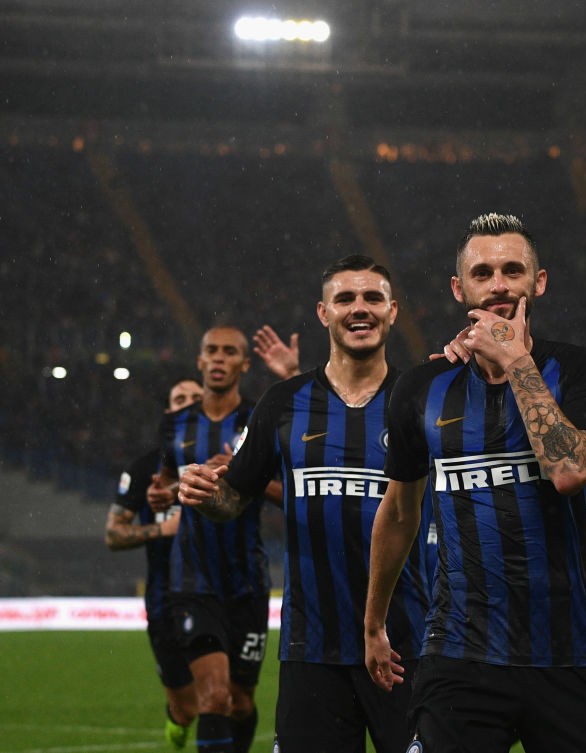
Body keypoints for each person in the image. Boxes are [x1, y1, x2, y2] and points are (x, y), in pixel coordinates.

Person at [365, 212, 586, 753]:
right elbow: (399, 512)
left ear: (540, 281)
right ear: (459, 289)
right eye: (482, 273)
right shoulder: (421, 388)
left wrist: (516, 359)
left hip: (570, 652)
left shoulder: (584, 369)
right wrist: (374, 623)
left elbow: (570, 471)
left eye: (513, 270)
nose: (499, 285)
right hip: (459, 657)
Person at [177, 257, 432, 753]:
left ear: (393, 311)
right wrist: (206, 495)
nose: (360, 308)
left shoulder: (420, 401)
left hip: (406, 644)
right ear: (323, 312)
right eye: (345, 299)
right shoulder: (281, 402)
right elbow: (234, 498)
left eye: (373, 298)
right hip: (311, 646)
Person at [149, 325, 271, 753]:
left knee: (240, 701)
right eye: (212, 351)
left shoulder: (259, 419)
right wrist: (161, 494)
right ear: (200, 360)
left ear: (244, 363)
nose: (219, 358)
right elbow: (166, 483)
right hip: (193, 581)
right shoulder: (174, 424)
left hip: (247, 581)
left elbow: (284, 486)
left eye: (229, 352)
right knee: (215, 696)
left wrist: (240, 473)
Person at [105, 377, 203, 750]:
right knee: (188, 708)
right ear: (169, 412)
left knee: (224, 698)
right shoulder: (145, 467)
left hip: (218, 593)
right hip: (166, 599)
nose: (188, 403)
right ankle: (178, 717)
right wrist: (164, 530)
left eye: (196, 398)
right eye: (180, 398)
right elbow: (113, 534)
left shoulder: (228, 462)